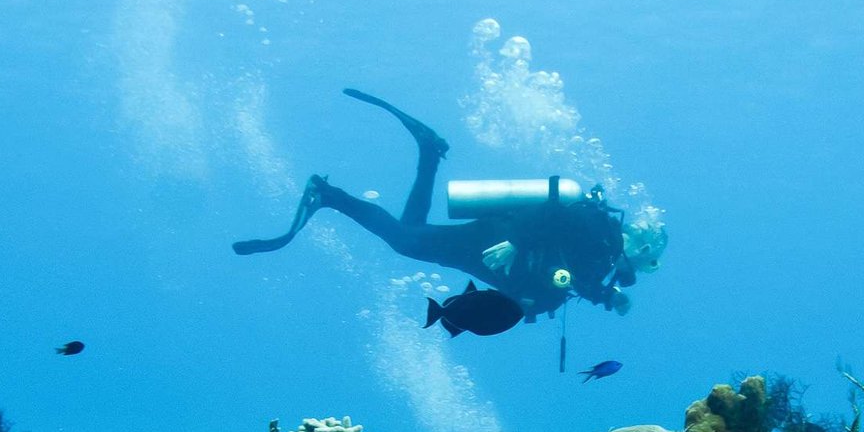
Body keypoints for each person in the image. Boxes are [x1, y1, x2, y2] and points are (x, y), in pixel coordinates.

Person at [233, 89, 667, 322]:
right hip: (497, 244)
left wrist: (609, 298)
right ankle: (327, 195)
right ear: (642, 246)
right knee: (407, 241)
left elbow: (577, 277)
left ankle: (428, 150)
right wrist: (515, 243)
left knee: (411, 234)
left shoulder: (605, 254)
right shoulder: (602, 232)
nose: (642, 269)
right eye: (649, 260)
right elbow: (551, 214)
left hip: (499, 265)